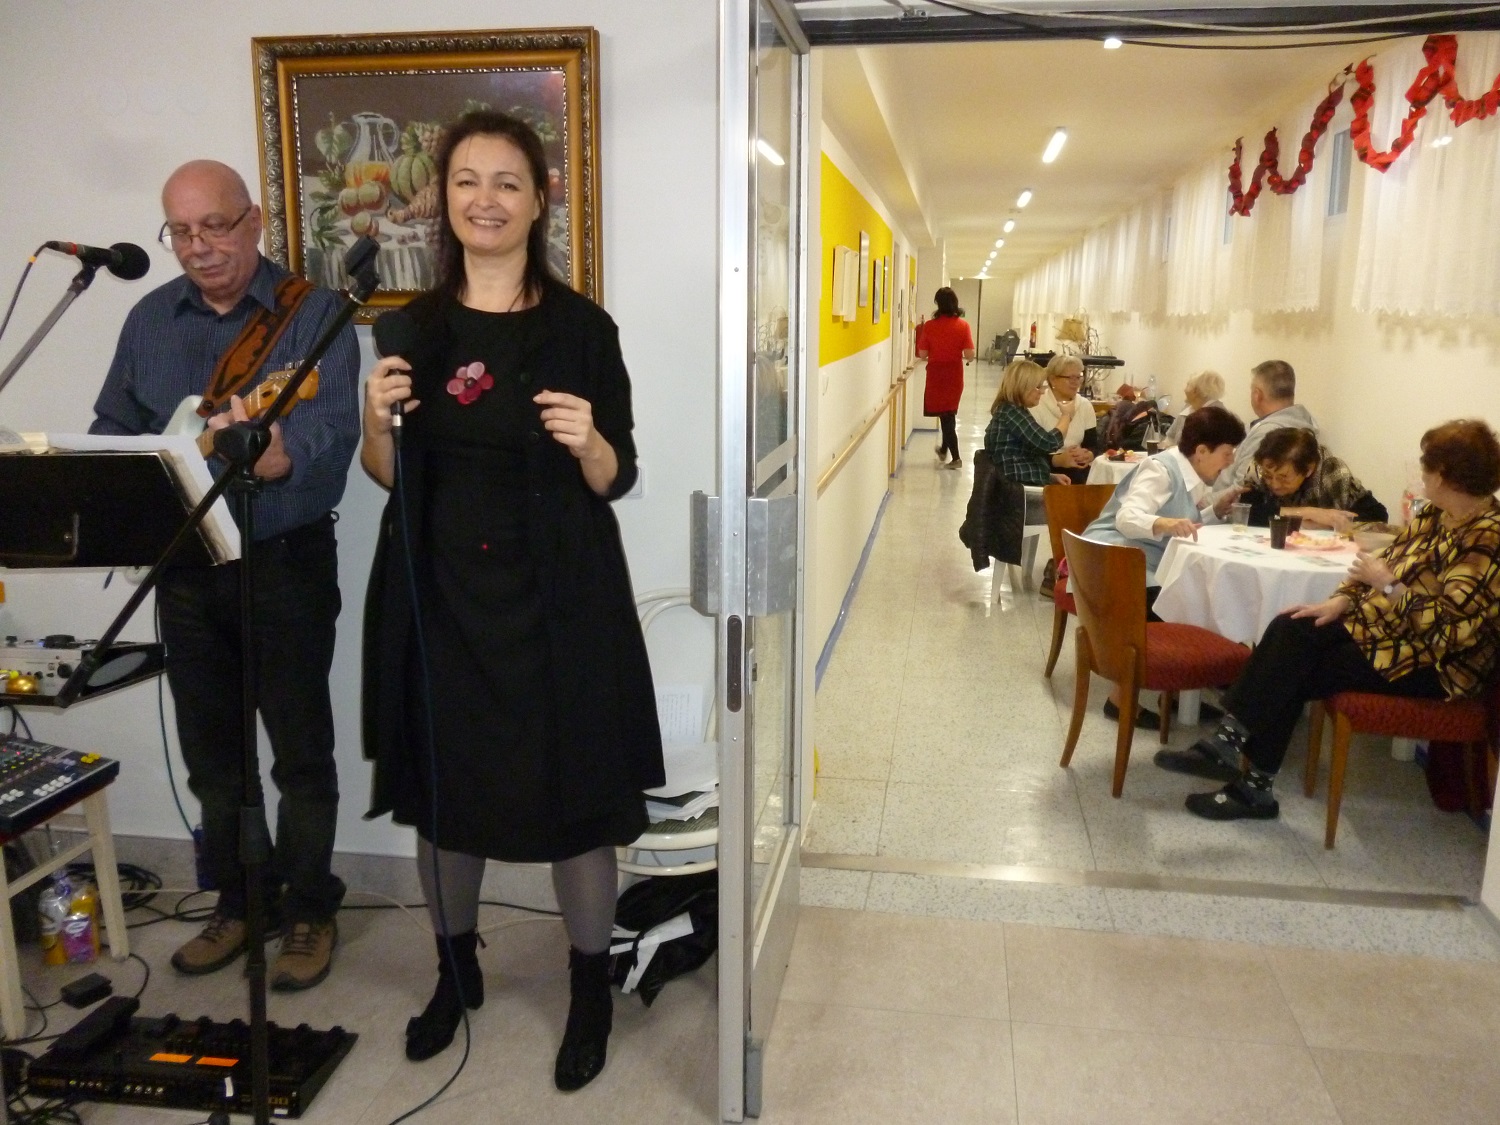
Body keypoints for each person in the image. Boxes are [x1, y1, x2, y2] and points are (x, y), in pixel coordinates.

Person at [361, 111, 664, 1091]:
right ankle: (456, 973)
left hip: (560, 597)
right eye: (466, 181)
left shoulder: (582, 329)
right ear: (443, 199)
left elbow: (618, 476)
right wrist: (374, 424)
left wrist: (590, 443)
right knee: (445, 797)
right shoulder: (409, 329)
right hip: (439, 596)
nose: (484, 200)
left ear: (540, 201)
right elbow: (386, 474)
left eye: (506, 182)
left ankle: (589, 988)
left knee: (578, 796)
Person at [90, 160, 359, 990]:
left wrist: (281, 455)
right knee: (213, 758)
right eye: (180, 231)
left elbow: (332, 434)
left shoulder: (314, 314)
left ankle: (309, 907)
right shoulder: (149, 319)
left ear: (255, 222)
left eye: (214, 225)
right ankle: (241, 901)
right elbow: (113, 425)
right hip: (187, 566)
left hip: (284, 561)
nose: (198, 246)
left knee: (300, 752)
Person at [1166, 420, 1500, 821]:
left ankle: (1244, 772)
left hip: (1437, 664)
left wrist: (1388, 585)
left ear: (1443, 476)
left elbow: (1451, 630)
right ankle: (1235, 753)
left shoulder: (1487, 537)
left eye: (1426, 465)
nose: (1421, 473)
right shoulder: (1434, 515)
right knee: (1291, 625)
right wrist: (1340, 601)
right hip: (1388, 633)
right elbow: (1379, 564)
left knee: (1294, 664)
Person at [1080, 405, 1247, 727]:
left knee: (1195, 597)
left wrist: (1214, 511)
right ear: (1202, 451)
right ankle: (1122, 699)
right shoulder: (1161, 470)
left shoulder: (1189, 475)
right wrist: (1164, 523)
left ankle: (1177, 692)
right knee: (1187, 603)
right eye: (1227, 453)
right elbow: (1127, 518)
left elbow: (1181, 520)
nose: (1230, 461)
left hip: (1137, 561)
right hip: (1112, 563)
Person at [1239, 428, 1388, 531]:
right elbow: (1246, 513)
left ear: (1309, 469)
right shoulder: (1259, 468)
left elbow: (1378, 517)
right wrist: (1309, 513)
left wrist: (1321, 525)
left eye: (1283, 477)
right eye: (1268, 476)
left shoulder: (1331, 471)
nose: (1275, 484)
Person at [1212, 359, 1318, 497]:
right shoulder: (1304, 422)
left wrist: (1205, 502)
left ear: (1257, 395)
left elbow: (1242, 489)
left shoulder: (1268, 433)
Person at [984, 358, 1075, 487]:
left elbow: (1023, 455)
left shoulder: (1013, 411)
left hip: (1019, 483)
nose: (1042, 392)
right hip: (1017, 488)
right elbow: (1047, 443)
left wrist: (1049, 476)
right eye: (1037, 387)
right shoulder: (1012, 413)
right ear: (1022, 387)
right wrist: (1066, 415)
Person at [915, 288, 975, 468]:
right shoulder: (963, 326)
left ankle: (956, 458)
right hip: (955, 375)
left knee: (945, 415)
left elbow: (922, 354)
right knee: (948, 414)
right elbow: (970, 354)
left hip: (936, 375)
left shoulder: (930, 326)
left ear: (938, 304)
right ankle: (943, 450)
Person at [1030, 354, 1096, 484]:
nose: (1075, 382)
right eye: (1070, 377)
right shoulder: (1037, 404)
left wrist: (1088, 455)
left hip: (1079, 469)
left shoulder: (1085, 405)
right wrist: (1059, 460)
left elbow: (1093, 444)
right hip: (1046, 470)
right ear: (1053, 379)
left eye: (1078, 377)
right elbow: (1030, 453)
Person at [1162, 370, 1224, 448]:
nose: (1184, 390)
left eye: (1188, 385)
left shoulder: (1217, 417)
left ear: (1196, 391)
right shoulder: (1187, 408)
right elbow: (1170, 438)